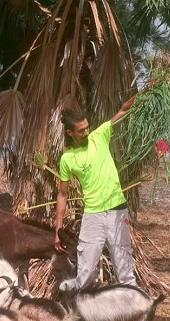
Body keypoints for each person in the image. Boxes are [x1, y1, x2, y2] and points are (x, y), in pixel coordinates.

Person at [54, 93, 140, 292]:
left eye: (87, 127)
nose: (86, 132)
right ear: (70, 132)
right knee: (84, 277)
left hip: (118, 212)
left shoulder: (99, 136)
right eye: (81, 130)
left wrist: (144, 93)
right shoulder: (67, 159)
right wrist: (58, 229)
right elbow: (62, 194)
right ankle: (86, 318)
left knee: (125, 273)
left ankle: (131, 318)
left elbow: (124, 110)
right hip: (92, 216)